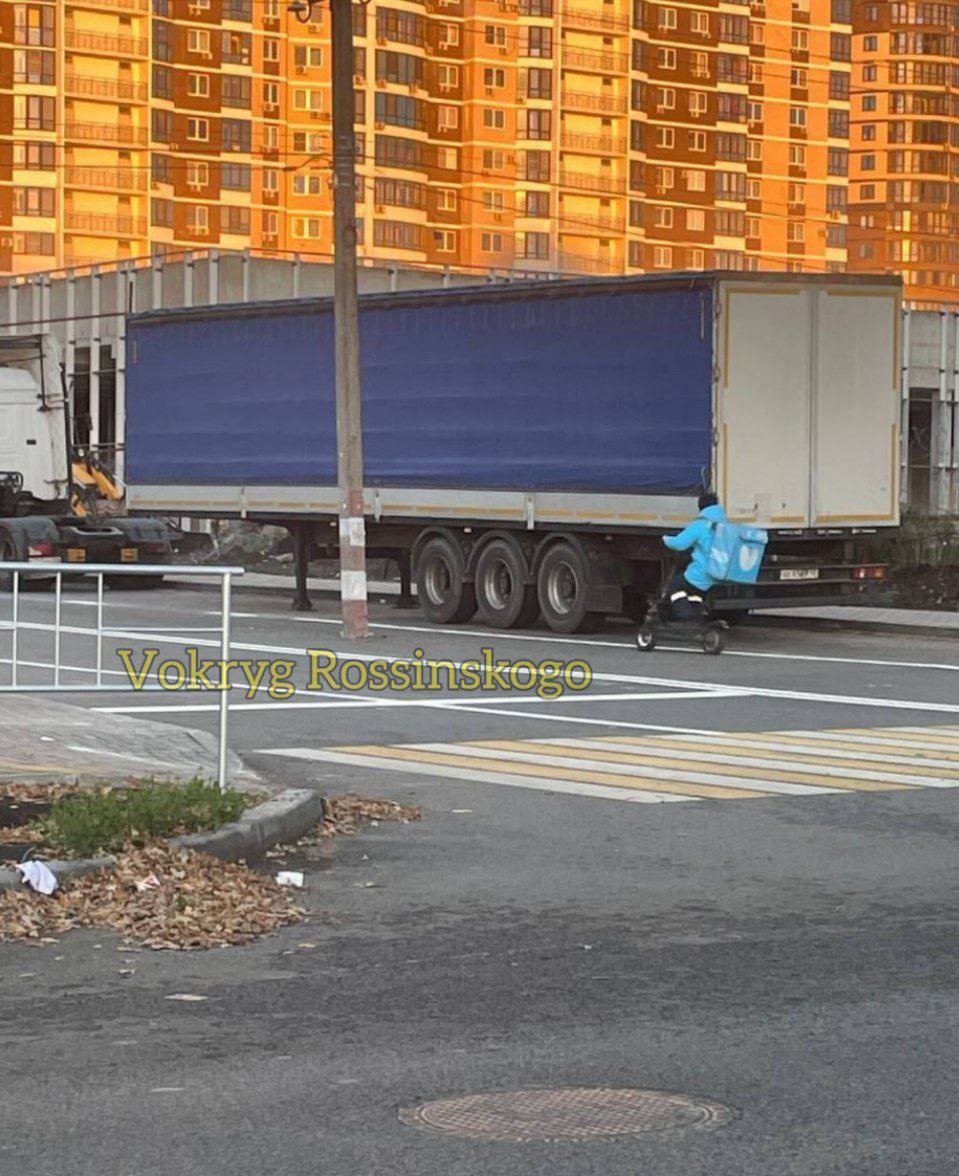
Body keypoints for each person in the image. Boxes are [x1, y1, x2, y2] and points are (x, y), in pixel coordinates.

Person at [661, 491, 727, 621]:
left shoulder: (701, 524)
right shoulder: (726, 525)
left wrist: (665, 539)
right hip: (718, 574)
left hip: (700, 573)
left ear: (701, 507)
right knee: (695, 594)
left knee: (674, 589)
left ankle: (685, 617)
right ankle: (697, 617)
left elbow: (679, 544)